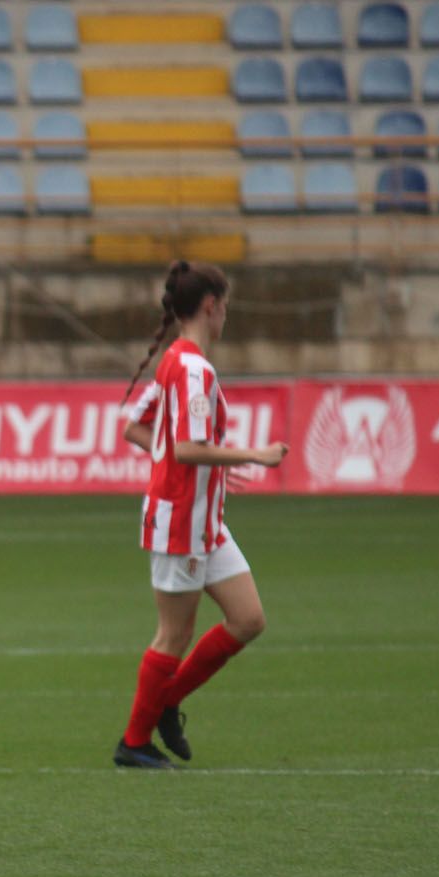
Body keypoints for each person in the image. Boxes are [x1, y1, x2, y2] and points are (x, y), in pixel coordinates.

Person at [113, 261, 287, 769]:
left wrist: (208, 470)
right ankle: (135, 742)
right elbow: (186, 448)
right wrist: (252, 455)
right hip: (181, 518)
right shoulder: (191, 368)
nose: (226, 315)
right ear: (211, 305)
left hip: (205, 518)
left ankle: (167, 701)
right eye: (226, 305)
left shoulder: (178, 360)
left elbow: (140, 430)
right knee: (174, 635)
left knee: (249, 618)